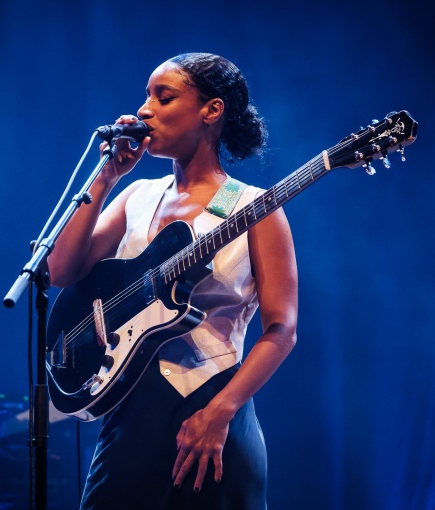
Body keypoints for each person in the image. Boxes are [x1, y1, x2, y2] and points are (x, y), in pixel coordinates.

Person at [48, 52, 298, 509]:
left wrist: (221, 413)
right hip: (129, 408)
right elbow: (61, 271)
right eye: (146, 97)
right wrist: (107, 176)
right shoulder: (137, 195)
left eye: (163, 97)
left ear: (211, 110)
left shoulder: (254, 207)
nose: (144, 110)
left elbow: (282, 330)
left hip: (215, 404)